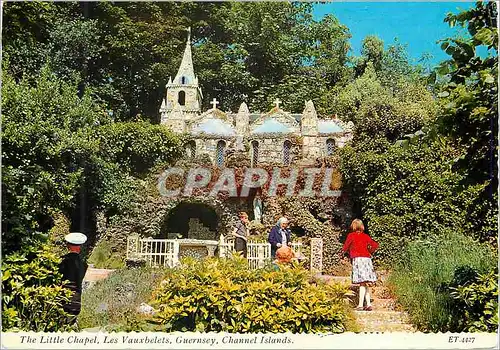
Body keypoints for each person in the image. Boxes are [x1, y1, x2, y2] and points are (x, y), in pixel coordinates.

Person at [341, 219, 379, 311]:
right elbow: (375, 245)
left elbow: (345, 247)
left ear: (353, 226)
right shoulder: (365, 236)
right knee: (365, 283)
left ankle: (360, 305)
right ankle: (368, 304)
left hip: (358, 259)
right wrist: (370, 251)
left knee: (362, 282)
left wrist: (342, 253)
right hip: (367, 260)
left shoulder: (351, 236)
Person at [59, 232, 88, 323]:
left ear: (68, 246)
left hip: (63, 296)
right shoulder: (83, 264)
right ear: (80, 247)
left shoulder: (62, 261)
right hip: (76, 298)